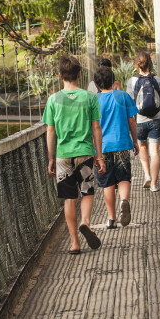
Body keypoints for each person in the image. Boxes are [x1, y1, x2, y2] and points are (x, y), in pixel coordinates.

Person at [43, 54, 105, 254]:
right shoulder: (90, 97)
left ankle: (74, 243)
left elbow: (50, 131)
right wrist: (100, 155)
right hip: (85, 153)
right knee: (87, 191)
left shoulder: (53, 100)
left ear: (60, 75)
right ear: (79, 74)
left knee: (69, 198)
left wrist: (51, 158)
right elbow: (96, 128)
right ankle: (85, 221)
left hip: (62, 155)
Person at [93, 66, 139, 228]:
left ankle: (111, 218)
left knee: (107, 182)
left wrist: (93, 151)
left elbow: (92, 127)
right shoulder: (123, 96)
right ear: (113, 80)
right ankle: (124, 201)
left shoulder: (94, 100)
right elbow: (132, 121)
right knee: (124, 177)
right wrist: (135, 141)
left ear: (96, 84)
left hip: (102, 147)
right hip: (121, 144)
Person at [126, 51, 160, 192]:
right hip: (156, 119)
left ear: (137, 65)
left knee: (142, 147)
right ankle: (154, 184)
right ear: (151, 64)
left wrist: (131, 123)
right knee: (155, 151)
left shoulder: (132, 81)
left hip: (139, 121)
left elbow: (129, 103)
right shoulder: (157, 80)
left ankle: (147, 175)